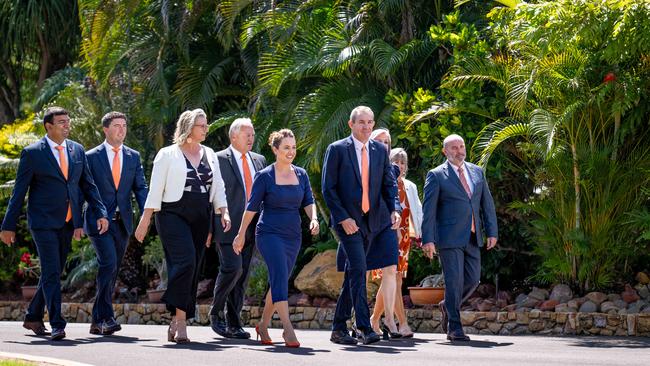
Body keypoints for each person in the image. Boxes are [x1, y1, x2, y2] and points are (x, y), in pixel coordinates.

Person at [0, 107, 109, 341]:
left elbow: (88, 185)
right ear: (48, 126)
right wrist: (7, 226)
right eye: (61, 122)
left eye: (67, 121)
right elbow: (19, 192)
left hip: (68, 222)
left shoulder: (77, 150)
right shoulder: (32, 153)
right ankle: (57, 323)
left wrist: (100, 212)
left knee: (54, 271)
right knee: (51, 271)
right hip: (42, 222)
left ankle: (32, 316)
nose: (67, 125)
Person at [135, 109, 231, 343]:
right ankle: (180, 321)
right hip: (172, 213)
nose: (206, 128)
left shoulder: (209, 153)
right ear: (189, 127)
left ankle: (178, 318)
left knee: (193, 267)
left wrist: (223, 211)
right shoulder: (167, 154)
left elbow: (217, 185)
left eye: (206, 124)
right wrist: (145, 220)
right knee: (185, 260)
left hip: (201, 213)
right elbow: (156, 188)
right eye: (201, 125)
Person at [322, 106, 400, 345]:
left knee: (353, 273)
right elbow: (328, 188)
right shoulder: (337, 150)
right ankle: (365, 328)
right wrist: (343, 218)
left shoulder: (379, 150)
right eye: (361, 122)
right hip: (347, 222)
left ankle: (338, 328)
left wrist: (395, 209)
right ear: (351, 124)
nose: (366, 127)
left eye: (370, 122)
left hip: (373, 222)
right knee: (358, 268)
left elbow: (389, 184)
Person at [233, 129, 318, 348]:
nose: (291, 152)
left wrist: (314, 219)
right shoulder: (265, 176)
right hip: (269, 234)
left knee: (279, 279)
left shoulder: (301, 174)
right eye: (286, 148)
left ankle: (262, 324)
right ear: (275, 150)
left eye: (293, 147)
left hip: (293, 236)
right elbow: (251, 208)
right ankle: (288, 328)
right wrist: (241, 234)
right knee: (279, 274)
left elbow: (309, 201)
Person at [421, 134, 498, 342]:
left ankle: (447, 305)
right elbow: (428, 210)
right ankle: (454, 328)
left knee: (473, 279)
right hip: (448, 238)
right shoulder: (436, 175)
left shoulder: (477, 172)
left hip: (473, 236)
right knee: (454, 282)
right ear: (445, 151)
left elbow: (486, 205)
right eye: (453, 148)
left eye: (461, 146)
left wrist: (492, 231)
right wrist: (427, 239)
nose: (459, 151)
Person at [84, 111, 148, 335]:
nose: (122, 129)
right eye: (117, 126)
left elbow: (140, 188)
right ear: (105, 129)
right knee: (108, 263)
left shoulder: (133, 156)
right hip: (98, 221)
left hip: (123, 223)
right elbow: (85, 190)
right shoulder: (90, 157)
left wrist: (146, 214)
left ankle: (97, 320)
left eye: (124, 125)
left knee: (111, 269)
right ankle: (107, 318)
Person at [209, 118, 266, 339]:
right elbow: (211, 194)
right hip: (228, 225)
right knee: (233, 269)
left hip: (254, 226)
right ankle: (216, 314)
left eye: (252, 134)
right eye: (246, 135)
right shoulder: (218, 159)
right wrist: (209, 228)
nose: (251, 138)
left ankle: (234, 323)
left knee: (242, 276)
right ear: (234, 136)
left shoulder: (259, 160)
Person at [369, 148, 422, 338]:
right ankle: (400, 322)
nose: (399, 165)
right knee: (393, 279)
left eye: (402, 162)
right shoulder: (384, 183)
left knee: (395, 280)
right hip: (386, 235)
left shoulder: (410, 186)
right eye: (395, 161)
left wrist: (422, 236)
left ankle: (375, 319)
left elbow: (417, 212)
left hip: (404, 238)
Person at [366, 128, 400, 338]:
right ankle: (359, 319)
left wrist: (395, 212)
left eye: (387, 142)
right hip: (364, 224)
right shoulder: (360, 164)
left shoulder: (392, 169)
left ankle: (389, 318)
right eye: (379, 141)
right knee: (360, 272)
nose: (383, 145)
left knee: (391, 270)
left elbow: (393, 195)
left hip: (386, 223)